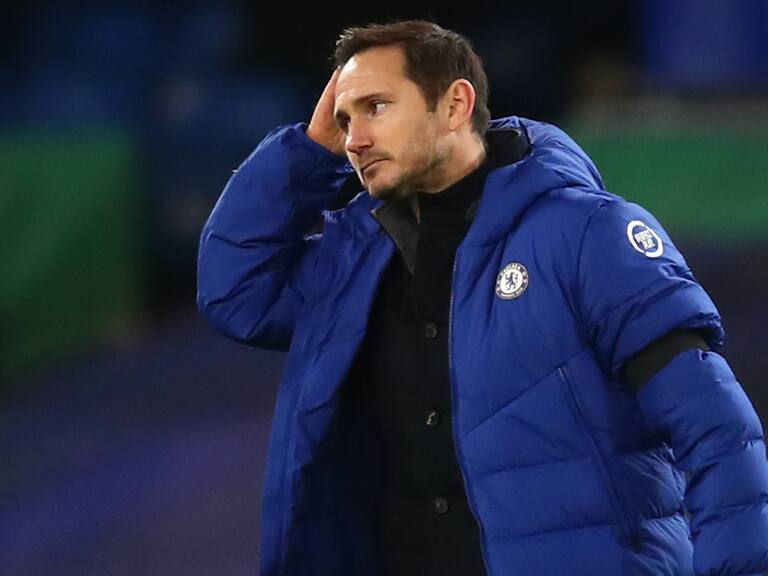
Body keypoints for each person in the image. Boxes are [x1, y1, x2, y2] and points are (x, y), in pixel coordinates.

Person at [197, 19, 768, 576]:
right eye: (344, 121)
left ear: (454, 105)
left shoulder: (586, 233)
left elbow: (716, 429)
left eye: (376, 107)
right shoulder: (357, 260)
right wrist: (308, 153)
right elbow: (235, 291)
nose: (354, 139)